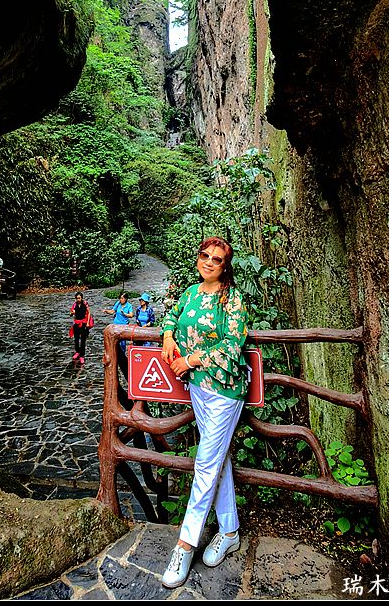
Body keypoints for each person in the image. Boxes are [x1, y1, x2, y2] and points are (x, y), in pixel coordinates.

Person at [159, 237, 249, 589]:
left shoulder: (233, 300)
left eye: (217, 259)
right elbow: (172, 316)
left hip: (225, 391)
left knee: (206, 463)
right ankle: (229, 532)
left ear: (225, 266)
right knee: (219, 459)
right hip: (197, 388)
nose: (209, 262)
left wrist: (188, 360)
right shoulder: (190, 293)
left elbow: (231, 345)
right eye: (205, 255)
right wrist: (168, 335)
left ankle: (185, 544)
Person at [103, 291, 135, 357]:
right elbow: (112, 311)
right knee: (115, 341)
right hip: (116, 324)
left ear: (126, 299)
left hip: (123, 326)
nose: (121, 300)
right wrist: (106, 311)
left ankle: (122, 356)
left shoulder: (129, 306)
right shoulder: (118, 303)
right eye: (120, 298)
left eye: (122, 298)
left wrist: (124, 314)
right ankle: (115, 355)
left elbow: (131, 315)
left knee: (123, 343)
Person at [70, 292, 91, 364]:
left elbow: (88, 313)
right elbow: (71, 313)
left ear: (81, 298)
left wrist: (88, 322)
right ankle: (77, 351)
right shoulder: (74, 305)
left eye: (79, 298)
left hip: (83, 323)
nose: (78, 299)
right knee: (76, 339)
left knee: (82, 340)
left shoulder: (85, 304)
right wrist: (72, 313)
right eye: (76, 298)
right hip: (76, 323)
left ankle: (82, 355)